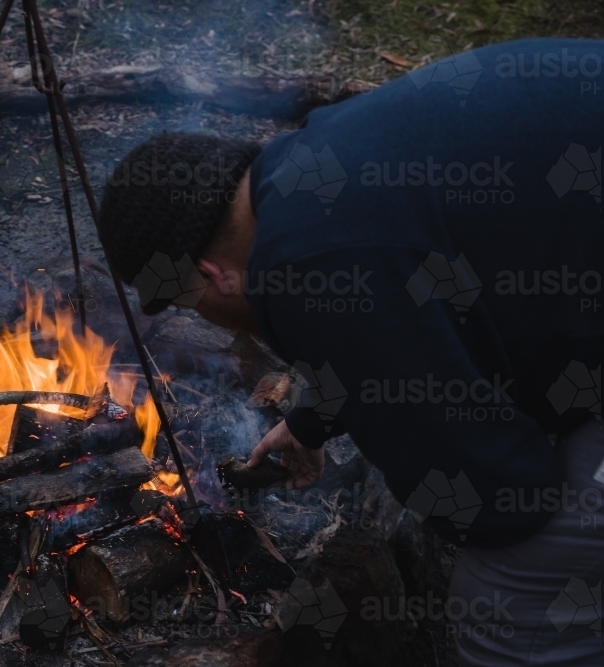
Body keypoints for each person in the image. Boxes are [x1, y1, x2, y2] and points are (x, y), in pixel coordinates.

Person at [97, 38, 603, 666]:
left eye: (186, 302)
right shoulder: (305, 168)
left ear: (211, 274)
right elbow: (413, 307)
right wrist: (320, 414)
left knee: (507, 602)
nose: (203, 316)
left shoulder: (306, 264)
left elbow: (496, 492)